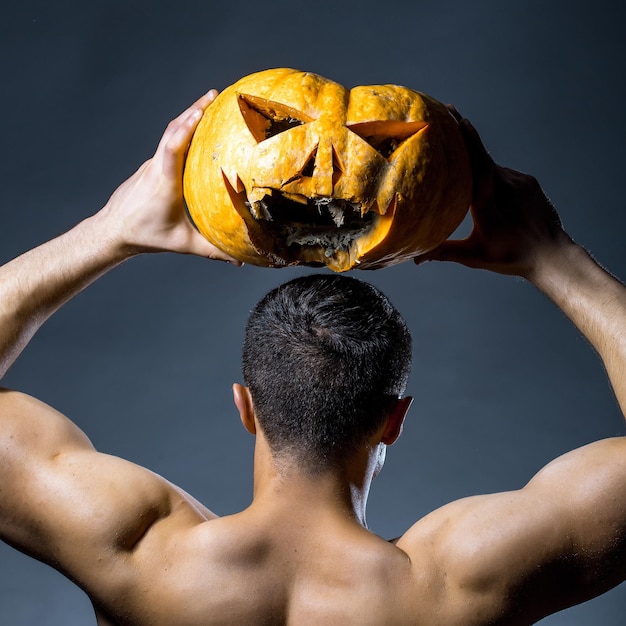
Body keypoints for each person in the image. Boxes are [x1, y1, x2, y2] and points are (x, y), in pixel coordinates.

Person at [0, 89, 624, 626]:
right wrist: (557, 261)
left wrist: (109, 232)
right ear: (395, 419)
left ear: (246, 406)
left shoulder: (133, 550)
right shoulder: (464, 584)